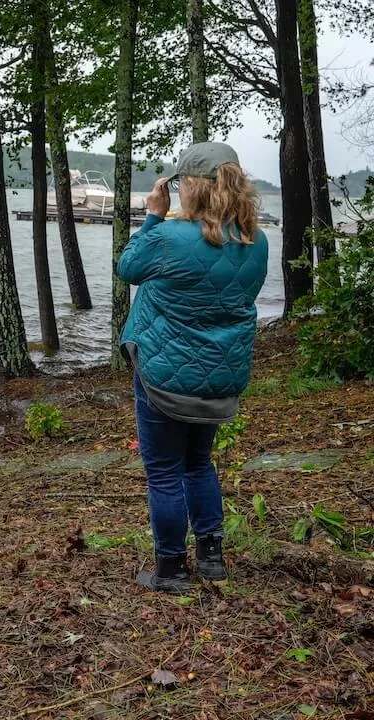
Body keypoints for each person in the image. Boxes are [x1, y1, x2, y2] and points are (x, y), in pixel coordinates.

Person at [117, 141, 269, 594]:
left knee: (164, 470)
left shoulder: (166, 237)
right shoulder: (255, 241)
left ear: (191, 186)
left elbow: (128, 267)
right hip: (218, 373)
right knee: (198, 462)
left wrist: (152, 215)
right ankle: (211, 557)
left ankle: (171, 568)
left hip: (164, 374)